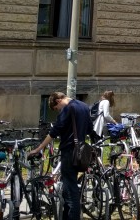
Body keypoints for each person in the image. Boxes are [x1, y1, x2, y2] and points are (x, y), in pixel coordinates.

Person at [29, 92, 95, 220]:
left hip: (69, 152)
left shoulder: (68, 108)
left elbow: (54, 131)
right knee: (68, 187)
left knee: (71, 191)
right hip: (80, 152)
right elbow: (89, 129)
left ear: (58, 101)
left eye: (56, 108)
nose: (58, 110)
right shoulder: (84, 106)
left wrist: (38, 149)